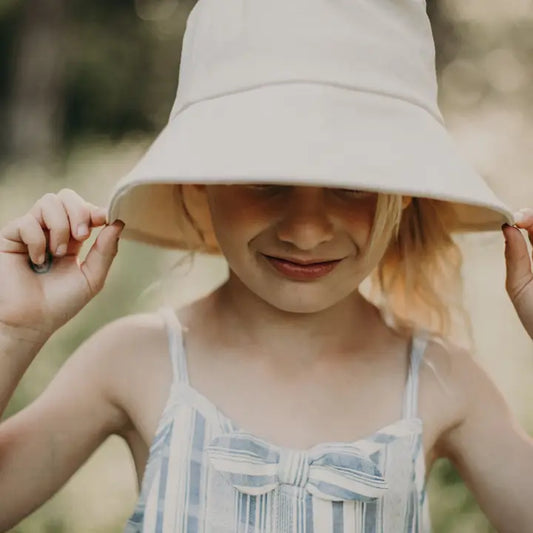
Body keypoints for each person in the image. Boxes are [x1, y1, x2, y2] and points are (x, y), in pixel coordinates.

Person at [0, 1, 532, 532]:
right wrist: (11, 331)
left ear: (406, 193)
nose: (305, 230)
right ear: (199, 177)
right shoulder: (133, 361)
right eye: (264, 179)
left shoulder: (443, 383)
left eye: (351, 186)